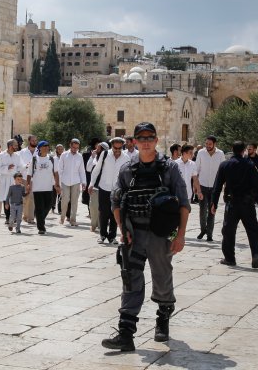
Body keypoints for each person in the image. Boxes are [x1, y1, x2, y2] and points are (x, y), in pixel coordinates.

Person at [101, 122, 189, 351]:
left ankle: (162, 318)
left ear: (156, 140)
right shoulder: (127, 170)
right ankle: (126, 333)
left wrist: (180, 236)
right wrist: (123, 229)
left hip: (161, 235)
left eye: (150, 137)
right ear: (135, 142)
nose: (146, 141)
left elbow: (183, 203)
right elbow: (116, 201)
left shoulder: (169, 168)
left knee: (162, 277)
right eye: (142, 138)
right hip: (135, 234)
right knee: (131, 279)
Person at [211, 141, 258, 268]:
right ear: (243, 151)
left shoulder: (225, 165)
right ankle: (255, 254)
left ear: (232, 149)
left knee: (228, 231)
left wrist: (214, 202)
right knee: (252, 230)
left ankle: (230, 258)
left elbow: (217, 185)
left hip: (232, 203)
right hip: (248, 203)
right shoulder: (250, 165)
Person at [88, 137, 130, 244]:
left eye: (119, 148)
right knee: (103, 212)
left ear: (122, 147)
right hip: (104, 187)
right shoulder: (105, 154)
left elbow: (128, 174)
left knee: (115, 213)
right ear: (112, 146)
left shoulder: (126, 157)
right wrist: (91, 183)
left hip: (117, 189)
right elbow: (97, 169)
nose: (117, 151)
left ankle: (112, 236)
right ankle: (102, 235)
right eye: (115, 148)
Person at [195, 136, 224, 241]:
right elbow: (196, 170)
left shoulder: (220, 154)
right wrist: (196, 186)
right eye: (206, 144)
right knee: (202, 210)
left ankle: (209, 234)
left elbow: (223, 170)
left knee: (212, 210)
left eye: (210, 144)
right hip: (202, 185)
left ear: (214, 144)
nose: (207, 146)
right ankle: (203, 230)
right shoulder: (201, 153)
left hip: (215, 187)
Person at [26, 141, 60, 234]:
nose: (46, 147)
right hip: (37, 188)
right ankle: (41, 227)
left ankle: (39, 217)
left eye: (47, 146)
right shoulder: (34, 159)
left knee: (49, 205)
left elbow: (56, 173)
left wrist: (57, 184)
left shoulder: (52, 159)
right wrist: (28, 184)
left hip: (48, 187)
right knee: (39, 207)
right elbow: (29, 173)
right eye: (44, 146)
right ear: (40, 148)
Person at [58, 138, 86, 226]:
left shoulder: (80, 156)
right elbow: (60, 169)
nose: (75, 149)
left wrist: (84, 182)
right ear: (70, 145)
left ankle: (73, 220)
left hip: (76, 181)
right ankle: (62, 217)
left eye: (77, 148)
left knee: (75, 201)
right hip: (65, 181)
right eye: (74, 147)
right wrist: (59, 182)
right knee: (65, 200)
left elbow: (82, 170)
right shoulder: (64, 155)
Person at [0, 139, 23, 225]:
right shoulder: (1, 155)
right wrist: (7, 168)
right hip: (5, 179)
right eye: (15, 145)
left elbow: (20, 166)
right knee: (6, 198)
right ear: (10, 146)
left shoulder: (17, 156)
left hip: (14, 180)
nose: (17, 147)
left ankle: (14, 217)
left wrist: (25, 167)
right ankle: (7, 217)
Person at [85, 142, 108, 232]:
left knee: (102, 208)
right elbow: (88, 168)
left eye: (98, 148)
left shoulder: (108, 159)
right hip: (94, 187)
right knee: (93, 206)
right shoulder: (94, 159)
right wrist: (92, 156)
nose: (96, 150)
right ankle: (93, 224)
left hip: (104, 187)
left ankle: (100, 225)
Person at [18, 135, 38, 224]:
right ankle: (25, 216)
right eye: (33, 140)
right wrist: (25, 166)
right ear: (29, 141)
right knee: (25, 198)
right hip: (25, 177)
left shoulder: (39, 151)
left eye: (35, 140)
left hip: (36, 178)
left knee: (32, 197)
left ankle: (31, 218)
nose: (34, 142)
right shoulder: (22, 152)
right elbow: (19, 164)